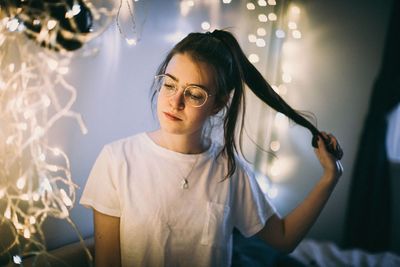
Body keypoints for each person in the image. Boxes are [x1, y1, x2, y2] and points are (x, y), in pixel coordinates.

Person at [80, 29, 343, 267]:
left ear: (218, 104)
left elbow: (283, 239)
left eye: (194, 94)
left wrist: (330, 178)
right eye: (170, 84)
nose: (175, 101)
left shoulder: (231, 172)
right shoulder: (117, 160)